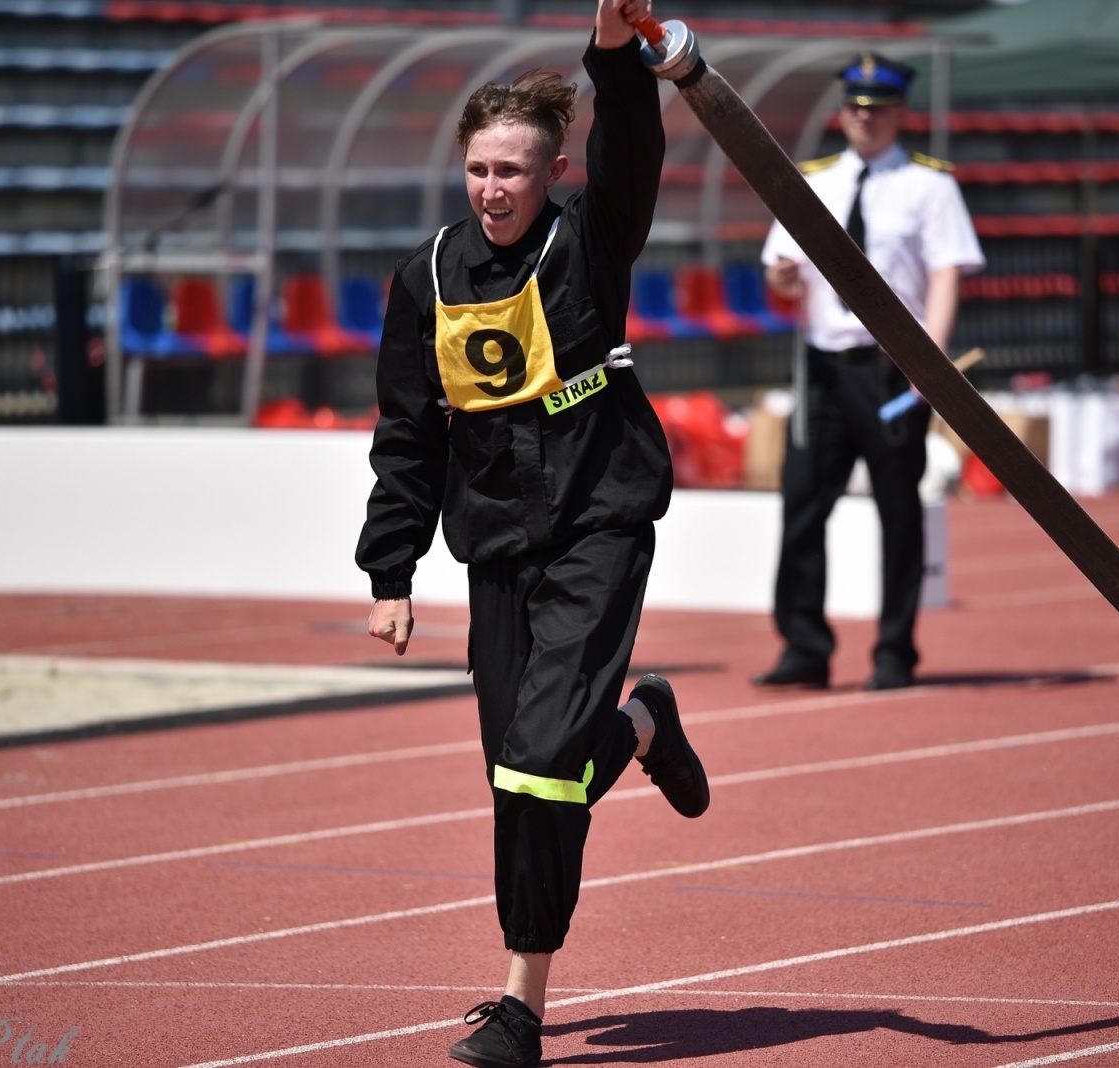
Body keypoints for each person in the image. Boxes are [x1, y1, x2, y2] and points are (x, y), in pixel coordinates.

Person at [354, 2, 709, 1065]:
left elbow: (634, 145)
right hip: (497, 541)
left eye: (513, 171)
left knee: (540, 765)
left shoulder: (590, 243)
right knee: (520, 770)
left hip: (599, 519)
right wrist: (390, 568)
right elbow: (406, 432)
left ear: (553, 171)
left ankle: (521, 1004)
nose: (493, 190)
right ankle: (643, 725)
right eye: (478, 171)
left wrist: (613, 54)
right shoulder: (423, 278)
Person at [753, 52, 984, 693]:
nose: (864, 117)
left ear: (898, 113)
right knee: (802, 503)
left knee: (898, 512)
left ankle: (894, 651)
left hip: (891, 368)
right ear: (841, 111)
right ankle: (803, 645)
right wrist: (779, 277)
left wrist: (928, 364)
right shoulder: (814, 180)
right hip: (823, 365)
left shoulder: (929, 185)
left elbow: (944, 275)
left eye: (877, 108)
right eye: (855, 106)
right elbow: (779, 271)